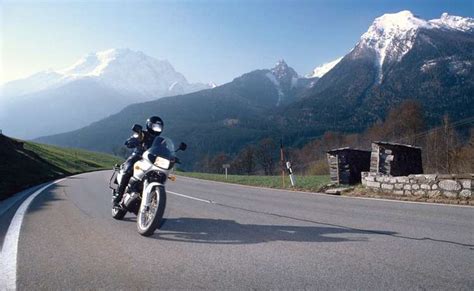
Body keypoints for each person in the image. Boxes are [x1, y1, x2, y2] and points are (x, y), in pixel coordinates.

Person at [113, 116, 164, 205]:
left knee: (159, 175)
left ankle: (154, 203)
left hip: (152, 161)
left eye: (159, 127)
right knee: (128, 168)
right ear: (149, 125)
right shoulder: (142, 134)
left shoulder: (161, 141)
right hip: (138, 156)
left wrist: (171, 155)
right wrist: (132, 141)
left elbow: (165, 150)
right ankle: (119, 195)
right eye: (155, 126)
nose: (157, 129)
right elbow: (130, 140)